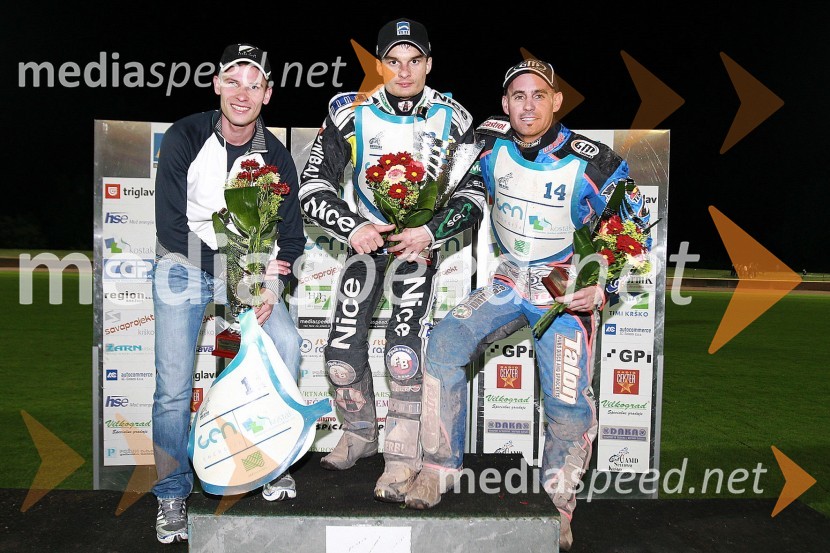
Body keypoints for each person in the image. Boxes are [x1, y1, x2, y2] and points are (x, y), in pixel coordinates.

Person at [404, 59, 650, 552]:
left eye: (539, 95)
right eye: (518, 96)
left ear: (557, 101)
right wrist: (427, 228)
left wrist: (604, 284)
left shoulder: (594, 161)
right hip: (509, 278)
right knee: (446, 341)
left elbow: (635, 227)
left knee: (565, 398)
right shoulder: (489, 144)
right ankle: (438, 467)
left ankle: (559, 504)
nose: (529, 105)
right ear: (504, 104)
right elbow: (463, 192)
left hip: (563, 292)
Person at [298, 18, 485, 502]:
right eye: (394, 62)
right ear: (380, 65)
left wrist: (430, 230)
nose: (404, 72)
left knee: (403, 351)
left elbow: (474, 192)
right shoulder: (347, 111)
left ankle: (402, 457)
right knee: (340, 356)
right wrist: (352, 226)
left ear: (429, 64)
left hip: (416, 249)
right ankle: (360, 434)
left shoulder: (455, 116)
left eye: (414, 61)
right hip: (366, 247)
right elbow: (312, 186)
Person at [151, 43, 306, 544]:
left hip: (249, 274)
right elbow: (171, 227)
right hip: (183, 266)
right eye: (233, 81)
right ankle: (172, 493)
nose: (243, 93)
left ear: (268, 93)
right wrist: (232, 271)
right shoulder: (185, 135)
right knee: (174, 388)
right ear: (217, 84)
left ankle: (268, 463)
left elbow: (292, 237)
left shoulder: (276, 156)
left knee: (285, 345)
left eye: (254, 83)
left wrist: (274, 277)